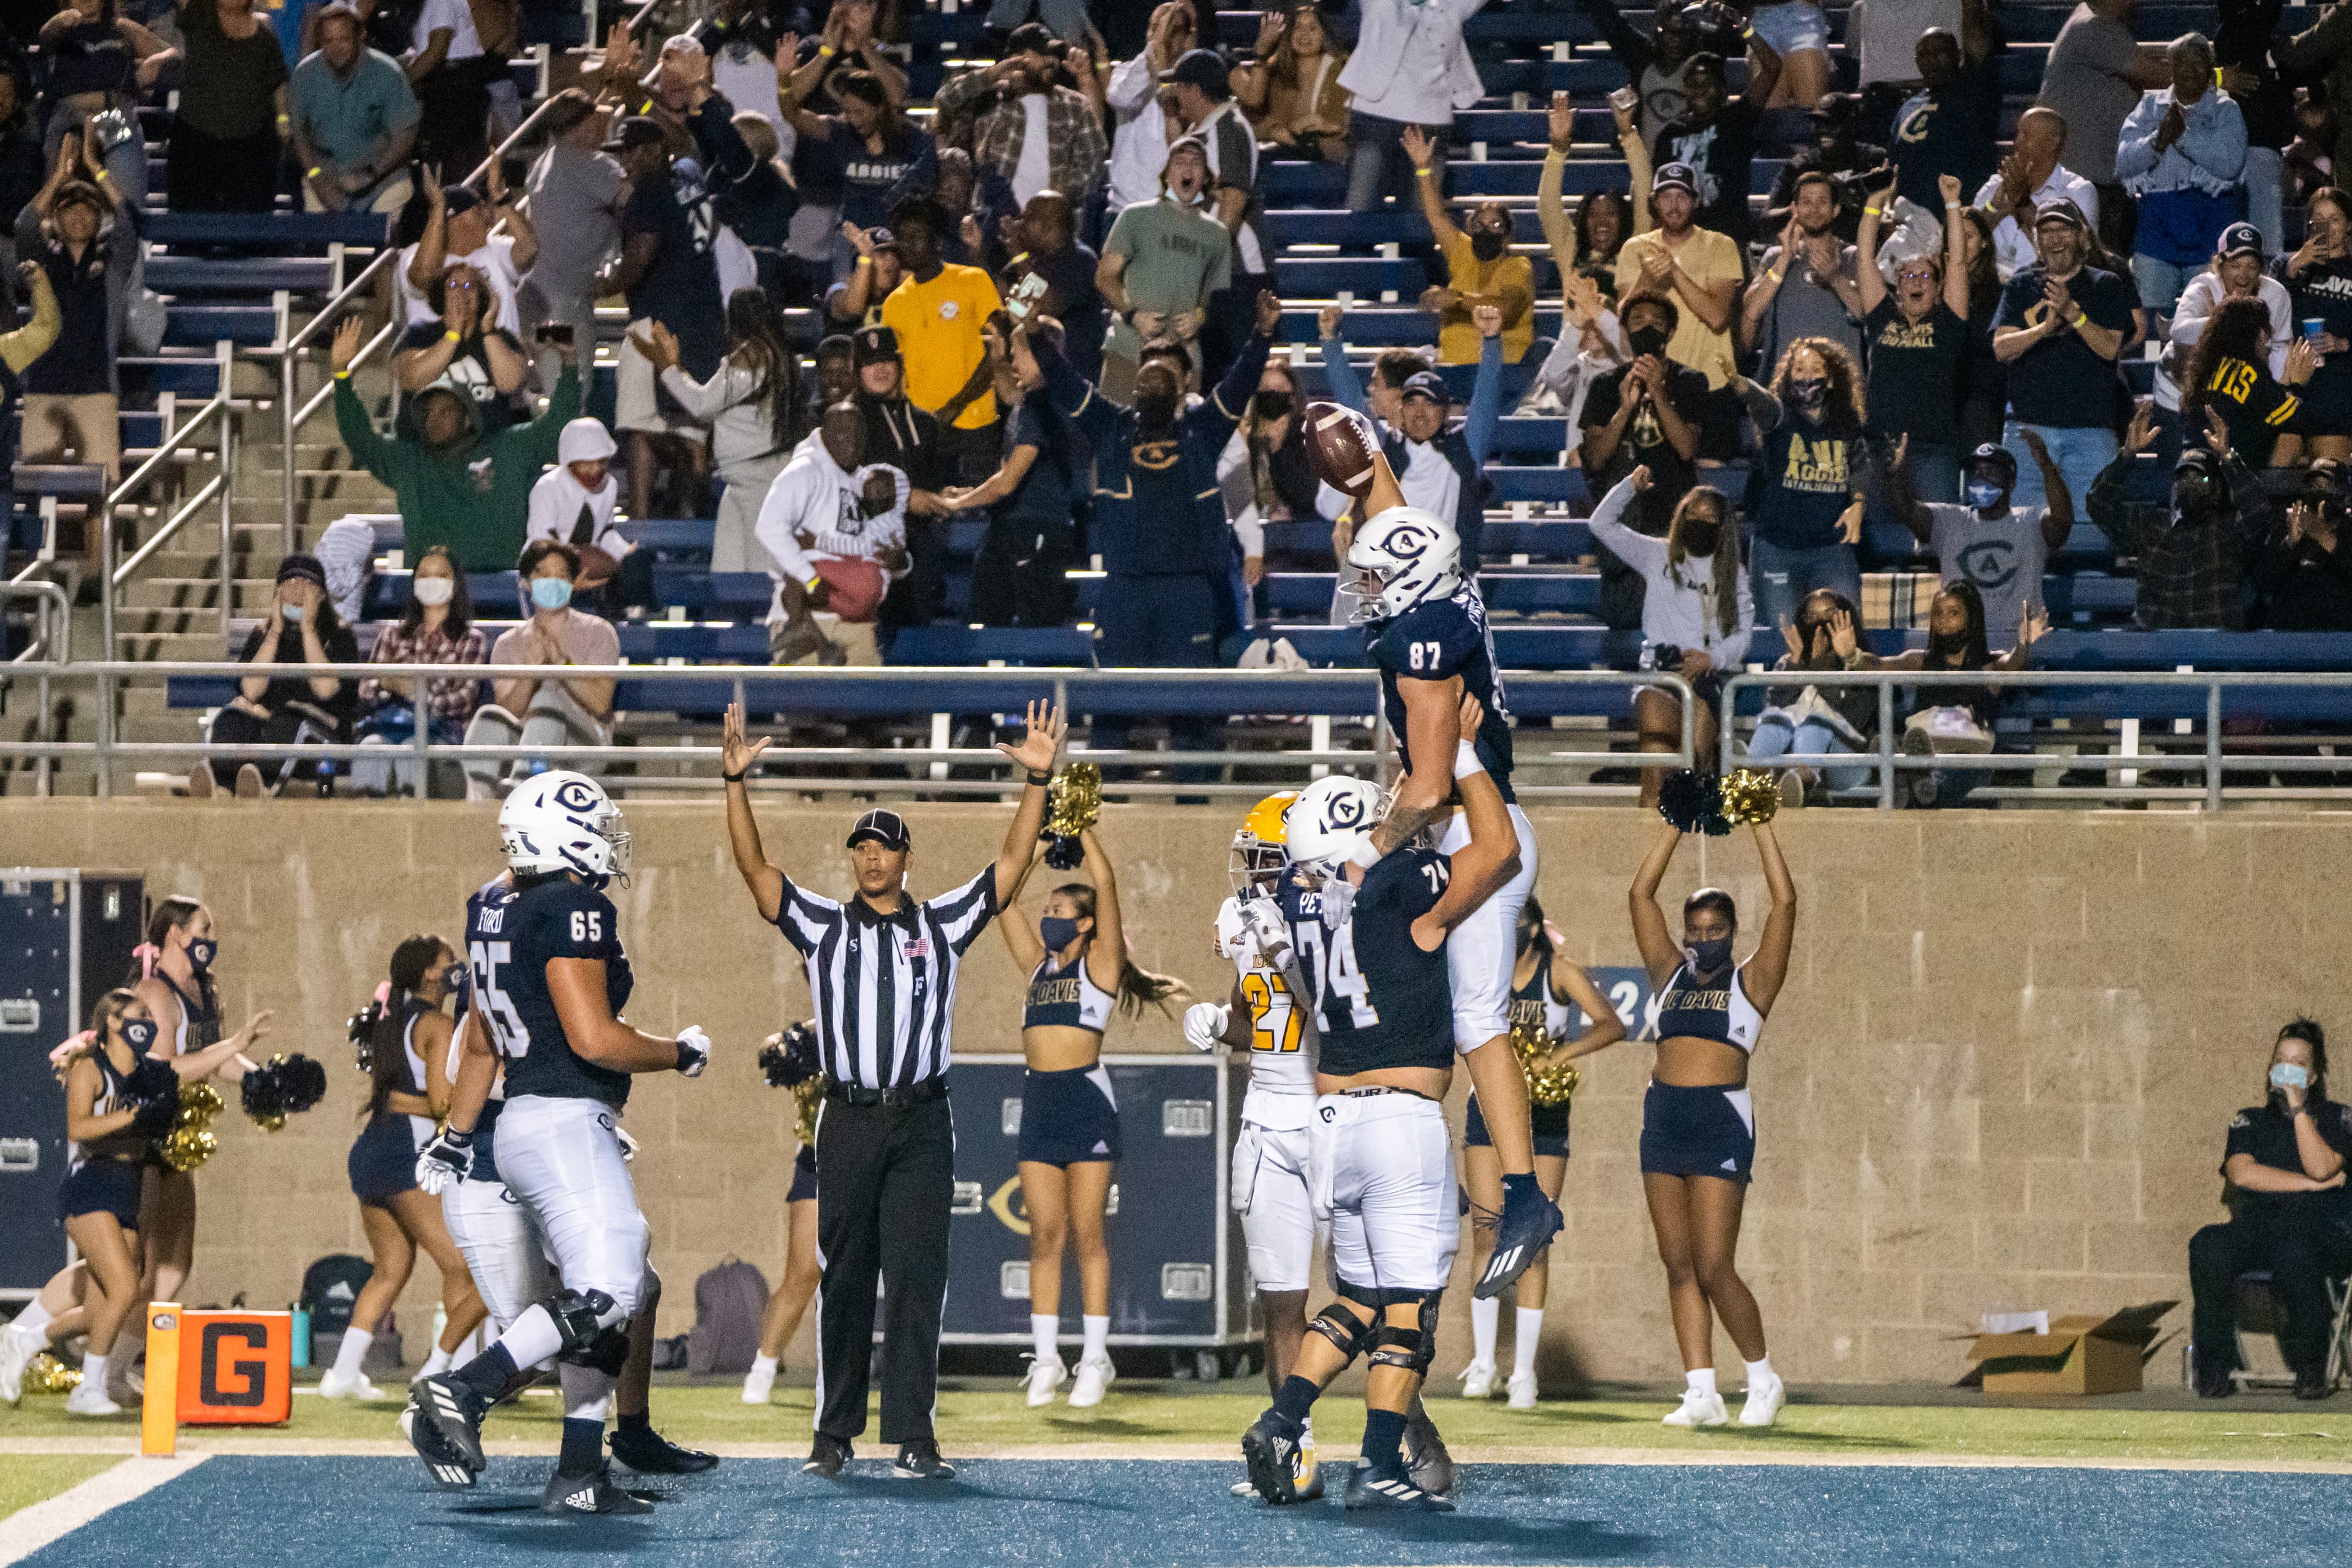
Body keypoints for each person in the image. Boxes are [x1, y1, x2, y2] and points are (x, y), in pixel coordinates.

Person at [718, 697, 1067, 1480]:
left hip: (918, 1118)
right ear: (852, 859)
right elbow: (756, 872)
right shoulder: (820, 923)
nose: (871, 859)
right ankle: (832, 1434)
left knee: (916, 1274)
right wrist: (735, 785)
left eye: (884, 848)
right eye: (861, 849)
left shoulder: (939, 923)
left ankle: (914, 1433)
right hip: (846, 1117)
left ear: (906, 857)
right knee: (844, 1276)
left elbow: (1007, 875)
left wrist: (1038, 783)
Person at [404, 774, 716, 1513]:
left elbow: (481, 1040)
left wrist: (454, 1136)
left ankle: (581, 1473)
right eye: (596, 826)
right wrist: (681, 1051)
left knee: (618, 1286)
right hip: (562, 1120)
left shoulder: (494, 905)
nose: (608, 842)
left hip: (525, 1125)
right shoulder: (571, 906)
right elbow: (594, 1038)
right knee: (611, 1290)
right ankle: (464, 1389)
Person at [1237, 723, 1517, 1513]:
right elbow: (1499, 851)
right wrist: (1455, 755)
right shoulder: (1398, 886)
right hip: (1401, 1119)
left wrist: (1394, 807)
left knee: (1356, 1299)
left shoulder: (1296, 897)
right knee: (1409, 1314)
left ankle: (1283, 1416)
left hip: (1331, 1116)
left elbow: (1363, 855)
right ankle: (1378, 1466)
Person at [1315, 437, 1559, 1298]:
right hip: (1467, 827)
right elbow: (1390, 508)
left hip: (1473, 833)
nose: (1366, 590)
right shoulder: (1443, 585)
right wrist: (1364, 451)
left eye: (1379, 582)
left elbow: (1422, 785)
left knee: (1475, 1021)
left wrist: (1365, 853)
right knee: (1422, 994)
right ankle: (1438, 1167)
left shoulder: (1422, 652)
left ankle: (1525, 1195)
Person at [1025, 292, 1275, 774]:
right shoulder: (1110, 427)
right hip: (1124, 593)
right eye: (1144, 381)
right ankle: (1099, 804)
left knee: (1192, 706)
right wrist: (1036, 337)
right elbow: (1063, 381)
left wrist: (1262, 337)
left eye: (1163, 380)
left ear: (1181, 389)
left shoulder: (1205, 431)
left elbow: (1241, 383)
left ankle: (1195, 800)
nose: (1151, 385)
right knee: (1111, 705)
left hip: (1188, 594)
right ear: (1134, 393)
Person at [1001, 826, 1182, 1410]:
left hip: (1084, 1100)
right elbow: (1002, 899)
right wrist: (1034, 845)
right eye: (1047, 909)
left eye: (1059, 910)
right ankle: (1048, 1357)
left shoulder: (1100, 966)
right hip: (1040, 1102)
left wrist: (1082, 831)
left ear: (1085, 923)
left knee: (1087, 1235)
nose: (1048, 916)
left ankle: (1097, 1357)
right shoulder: (1037, 967)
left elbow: (1105, 885)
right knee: (1044, 1236)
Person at [1627, 811, 1797, 1428]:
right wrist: (1675, 823)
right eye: (1695, 928)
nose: (1704, 938)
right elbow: (1639, 894)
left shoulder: (1753, 980)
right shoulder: (1669, 972)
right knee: (1677, 1262)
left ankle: (1763, 1376)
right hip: (1664, 1117)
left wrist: (1761, 825)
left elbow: (1785, 902)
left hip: (1720, 1117)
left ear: (1731, 930)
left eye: (1715, 928)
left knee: (1714, 1264)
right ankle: (1701, 1390)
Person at [1187, 795, 1325, 1498]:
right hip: (1268, 1114)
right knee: (1282, 1299)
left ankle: (1405, 1435)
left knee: (1378, 1295)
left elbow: (1334, 1011)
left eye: (1269, 858)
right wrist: (1219, 1019)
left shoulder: (1341, 912)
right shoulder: (1243, 918)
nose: (1256, 874)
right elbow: (1254, 1016)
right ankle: (1292, 1452)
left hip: (1337, 1115)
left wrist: (1291, 951)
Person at [1457, 899, 1624, 1409]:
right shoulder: (1480, 972)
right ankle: (1485, 1363)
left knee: (1533, 1238)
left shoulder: (1560, 972)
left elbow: (1610, 1024)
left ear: (1531, 929)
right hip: (1487, 1108)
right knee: (1486, 1229)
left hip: (1543, 1115)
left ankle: (1524, 1374)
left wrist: (1561, 1054)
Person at [322, 934, 488, 1400]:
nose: (456, 966)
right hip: (406, 1154)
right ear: (431, 974)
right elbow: (439, 1102)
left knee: (390, 1269)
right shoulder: (435, 1023)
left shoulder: (391, 1017)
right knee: (463, 1267)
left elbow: (398, 1091)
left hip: (373, 1148)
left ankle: (343, 1375)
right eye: (448, 961)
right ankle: (449, 1371)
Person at [128, 897, 273, 1365]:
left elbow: (218, 1059)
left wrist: (261, 1078)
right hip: (141, 1136)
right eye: (204, 929)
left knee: (174, 1264)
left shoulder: (207, 991)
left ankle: (123, 1369)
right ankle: (35, 1333)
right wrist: (232, 1046)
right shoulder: (153, 993)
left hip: (177, 1137)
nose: (212, 939)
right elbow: (168, 1069)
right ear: (174, 932)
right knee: (134, 1270)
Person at [331, 315, 582, 572]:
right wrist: (342, 375)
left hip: (504, 590)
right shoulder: (409, 461)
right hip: (430, 595)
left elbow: (558, 426)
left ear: (467, 419)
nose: (434, 420)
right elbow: (360, 438)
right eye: (427, 414)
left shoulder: (509, 448)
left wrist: (570, 363)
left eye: (445, 411)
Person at [2188, 1020, 2352, 1401]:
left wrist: (2298, 1108)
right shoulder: (2250, 1119)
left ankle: (2312, 1369)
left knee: (2297, 1253)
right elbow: (2243, 1173)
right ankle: (2214, 1370)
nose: (2286, 1068)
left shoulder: (2338, 1118)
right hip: (2259, 1228)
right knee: (2208, 1243)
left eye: (2298, 1063)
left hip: (2319, 1232)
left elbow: (2322, 1166)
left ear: (2312, 1075)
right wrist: (2313, 1186)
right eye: (2280, 1060)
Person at [1585, 467, 1752, 803]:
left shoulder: (1734, 573)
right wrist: (1628, 487)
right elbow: (1600, 525)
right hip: (1661, 676)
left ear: (1722, 527)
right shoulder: (1657, 554)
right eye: (1691, 513)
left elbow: (1743, 636)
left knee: (1692, 779)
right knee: (1657, 779)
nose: (1698, 522)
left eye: (1708, 518)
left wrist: (1712, 658)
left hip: (1707, 677)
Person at [52, 989, 179, 1417]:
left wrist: (234, 1047)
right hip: (92, 1182)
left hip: (130, 1182)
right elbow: (77, 1127)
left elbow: (183, 1073)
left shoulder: (148, 1072)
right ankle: (88, 1389)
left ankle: (24, 1340)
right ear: (112, 1020)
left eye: (149, 1013)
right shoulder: (89, 1067)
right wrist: (134, 1115)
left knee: (111, 1300)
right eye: (137, 1013)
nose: (147, 1019)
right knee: (125, 1287)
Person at [601, 115, 726, 523]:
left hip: (657, 327)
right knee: (693, 428)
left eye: (634, 151)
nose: (627, 162)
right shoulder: (689, 173)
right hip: (705, 322)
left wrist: (598, 285)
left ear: (655, 149)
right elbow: (686, 145)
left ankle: (641, 529)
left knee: (644, 428)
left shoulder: (649, 194)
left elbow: (638, 260)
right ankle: (690, 519)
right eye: (623, 152)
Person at [15, 139, 134, 566]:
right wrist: (60, 177)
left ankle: (98, 576)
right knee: (32, 489)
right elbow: (26, 224)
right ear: (58, 218)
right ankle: (33, 571)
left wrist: (92, 168)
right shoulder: (40, 264)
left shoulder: (112, 266)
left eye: (88, 208)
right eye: (70, 208)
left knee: (99, 492)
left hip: (96, 390)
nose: (80, 214)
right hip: (44, 388)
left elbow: (128, 222)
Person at [1321, 304, 1505, 571]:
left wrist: (1491, 341)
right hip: (1395, 586)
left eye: (1429, 404)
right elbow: (1351, 403)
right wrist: (1330, 342)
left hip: (1452, 589)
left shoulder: (1465, 451)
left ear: (1444, 412)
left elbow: (1487, 397)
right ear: (1400, 408)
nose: (1420, 413)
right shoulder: (1386, 451)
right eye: (1412, 403)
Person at [644, 290, 805, 573]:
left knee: (761, 575)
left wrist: (667, 368)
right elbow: (715, 401)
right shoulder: (781, 357)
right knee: (728, 571)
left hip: (757, 481)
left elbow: (701, 405)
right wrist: (678, 369)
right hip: (751, 478)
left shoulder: (749, 357)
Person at [1992, 200, 2135, 515]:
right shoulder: (2020, 285)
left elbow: (2111, 348)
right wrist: (2043, 329)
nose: (2056, 239)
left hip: (2092, 430)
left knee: (2093, 531)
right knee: (2029, 535)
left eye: (2064, 230)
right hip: (2028, 429)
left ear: (2082, 235)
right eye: (2047, 231)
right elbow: (2001, 347)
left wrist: (2074, 314)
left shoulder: (2105, 284)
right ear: (2037, 239)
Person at [944, 314, 1082, 628]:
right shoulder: (1033, 400)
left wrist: (956, 504)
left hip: (1035, 533)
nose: (1013, 361)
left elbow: (1007, 483)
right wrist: (995, 357)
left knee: (1031, 633)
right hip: (1017, 529)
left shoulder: (1043, 406)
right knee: (987, 621)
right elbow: (1009, 394)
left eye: (1018, 353)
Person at [754, 402, 910, 667]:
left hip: (859, 624)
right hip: (808, 617)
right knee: (805, 707)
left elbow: (880, 540)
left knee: (863, 707)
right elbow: (768, 527)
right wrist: (811, 580)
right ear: (824, 434)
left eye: (858, 434)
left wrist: (901, 563)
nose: (852, 440)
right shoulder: (804, 470)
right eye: (842, 431)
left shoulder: (867, 482)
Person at [461, 541, 621, 799]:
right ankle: (478, 798)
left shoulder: (599, 633)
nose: (552, 581)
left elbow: (601, 704)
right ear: (526, 581)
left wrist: (560, 664)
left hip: (584, 744)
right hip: (526, 739)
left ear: (574, 583)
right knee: (488, 715)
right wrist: (530, 673)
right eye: (543, 574)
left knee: (548, 699)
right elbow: (508, 710)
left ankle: (523, 791)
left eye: (561, 576)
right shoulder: (508, 643)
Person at [1733, 338, 1871, 632]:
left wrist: (1858, 503)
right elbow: (1762, 404)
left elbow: (1859, 466)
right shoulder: (1779, 417)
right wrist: (1740, 384)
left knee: (1848, 630)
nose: (1807, 377)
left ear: (1831, 380)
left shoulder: (1846, 423)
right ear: (1788, 377)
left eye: (1816, 368)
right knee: (1782, 637)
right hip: (1777, 548)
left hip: (1831, 548)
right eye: (1799, 369)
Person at [2090, 402, 2267, 630]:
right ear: (2173, 486)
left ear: (2217, 488)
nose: (2190, 484)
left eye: (2201, 479)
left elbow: (2260, 513)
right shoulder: (2152, 525)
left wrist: (2229, 458)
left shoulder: (2230, 530)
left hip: (2216, 655)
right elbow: (2098, 505)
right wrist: (2127, 456)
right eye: (2183, 478)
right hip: (2158, 652)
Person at [201, 554, 363, 797]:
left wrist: (308, 629)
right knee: (229, 720)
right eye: (290, 582)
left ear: (321, 595)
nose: (297, 590)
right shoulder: (263, 635)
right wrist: (275, 631)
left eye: (307, 583)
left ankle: (261, 787)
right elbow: (252, 691)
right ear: (277, 593)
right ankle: (221, 787)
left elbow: (325, 691)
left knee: (286, 727)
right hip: (266, 727)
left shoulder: (339, 636)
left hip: (320, 738)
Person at [1858, 175, 1975, 505]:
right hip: (1880, 446)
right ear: (1897, 285)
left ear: (1938, 290)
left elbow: (1958, 261)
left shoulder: (1948, 323)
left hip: (1934, 449)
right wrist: (1874, 202)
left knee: (1935, 540)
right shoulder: (1882, 317)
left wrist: (1952, 202)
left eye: (1925, 275)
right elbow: (1865, 258)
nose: (1916, 280)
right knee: (1878, 540)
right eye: (1908, 275)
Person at [1889, 435, 2071, 646]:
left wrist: (2046, 466)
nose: (1982, 480)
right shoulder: (1950, 519)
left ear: (2011, 483)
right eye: (1977, 474)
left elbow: (2062, 521)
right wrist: (1895, 473)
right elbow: (1907, 509)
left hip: (2021, 643)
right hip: (1962, 646)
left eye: (1991, 473)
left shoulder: (2031, 521)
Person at [2116, 34, 2249, 315]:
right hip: (2156, 231)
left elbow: (2230, 164)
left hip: (2210, 230)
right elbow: (2124, 162)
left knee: (2208, 322)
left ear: (2210, 67)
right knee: (2150, 320)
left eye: (2197, 63)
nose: (2189, 70)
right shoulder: (2149, 107)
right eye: (2181, 63)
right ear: (2171, 67)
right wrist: (2157, 140)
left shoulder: (2226, 110)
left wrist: (2183, 139)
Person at [879, 197, 1003, 480]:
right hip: (922, 432)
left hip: (976, 426)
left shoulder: (973, 280)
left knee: (974, 518)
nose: (907, 244)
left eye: (916, 237)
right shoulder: (894, 303)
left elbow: (999, 347)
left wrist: (956, 406)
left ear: (936, 241)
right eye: (902, 237)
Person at [1096, 137, 1229, 401]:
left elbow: (1217, 299)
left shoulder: (1218, 234)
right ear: (1167, 173)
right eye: (1180, 162)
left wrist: (1199, 317)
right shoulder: (1135, 217)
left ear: (1205, 177)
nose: (1188, 170)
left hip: (1184, 364)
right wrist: (1133, 316)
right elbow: (1104, 277)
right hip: (1129, 353)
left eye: (1196, 163)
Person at [2037, 0, 2172, 255]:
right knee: (2095, 264)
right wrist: (2219, 77)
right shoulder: (2094, 25)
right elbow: (2154, 73)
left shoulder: (2095, 21)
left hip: (2099, 179)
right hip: (2087, 182)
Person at [352, 546, 487, 800]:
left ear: (455, 584)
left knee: (409, 751)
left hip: (441, 732)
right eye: (424, 575)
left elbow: (463, 701)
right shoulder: (392, 635)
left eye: (441, 575)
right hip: (389, 724)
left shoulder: (471, 640)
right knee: (371, 748)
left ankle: (410, 832)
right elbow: (366, 690)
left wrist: (414, 691)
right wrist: (386, 685)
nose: (431, 581)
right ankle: (365, 830)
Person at [741, 1022, 824, 1408]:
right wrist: (780, 1042)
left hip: (877, 1152)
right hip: (819, 1157)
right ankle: (764, 1367)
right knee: (803, 1272)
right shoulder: (816, 1028)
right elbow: (773, 1046)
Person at [1401, 126, 1534, 369]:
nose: (1487, 231)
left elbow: (1506, 310)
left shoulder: (1518, 266)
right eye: (1480, 225)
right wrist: (1422, 168)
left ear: (1506, 235)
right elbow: (1437, 217)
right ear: (1470, 229)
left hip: (1501, 371)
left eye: (1495, 225)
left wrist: (1456, 299)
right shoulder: (1462, 251)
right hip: (1453, 368)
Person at [1615, 162, 1744, 409]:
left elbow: (1717, 318)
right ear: (1654, 202)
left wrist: (1673, 271)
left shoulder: (1721, 245)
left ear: (1696, 201)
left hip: (1712, 383)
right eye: (1666, 197)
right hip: (1656, 381)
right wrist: (1646, 278)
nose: (1674, 207)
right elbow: (1623, 321)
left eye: (1682, 197)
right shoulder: (1635, 248)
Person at [1339, 0, 1482, 216]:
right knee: (1360, 209)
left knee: (1424, 216)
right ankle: (1354, 251)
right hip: (1376, 112)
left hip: (1432, 115)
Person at [518, 88, 626, 366]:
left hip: (534, 294)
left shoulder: (543, 162)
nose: (601, 125)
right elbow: (635, 201)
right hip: (564, 303)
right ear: (582, 124)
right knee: (573, 390)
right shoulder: (595, 167)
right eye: (594, 119)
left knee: (553, 387)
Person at [1746, 588, 1879, 801]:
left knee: (1816, 723)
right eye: (1812, 617)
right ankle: (1749, 779)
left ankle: (1803, 781)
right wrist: (1796, 666)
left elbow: (1856, 719)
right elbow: (1779, 705)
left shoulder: (1862, 663)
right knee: (1774, 720)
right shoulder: (1789, 661)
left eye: (1829, 615)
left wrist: (1821, 667)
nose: (1820, 624)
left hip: (1848, 763)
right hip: (1790, 760)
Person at [288, 3, 417, 215]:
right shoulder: (305, 75)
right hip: (325, 178)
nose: (336, 47)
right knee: (318, 237)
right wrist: (319, 182)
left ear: (360, 37)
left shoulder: (388, 73)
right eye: (329, 41)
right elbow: (300, 137)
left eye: (344, 40)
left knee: (396, 202)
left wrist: (371, 175)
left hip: (383, 181)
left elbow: (405, 133)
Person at [1652, 45, 1781, 249]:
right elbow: (1658, 196)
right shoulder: (1670, 134)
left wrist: (1746, 31)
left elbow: (1772, 67)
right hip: (1681, 242)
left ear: (1722, 88)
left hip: (1729, 241)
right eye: (1693, 84)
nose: (1700, 90)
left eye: (1708, 84)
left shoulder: (1737, 119)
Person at [166, 0, 288, 214]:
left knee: (250, 226)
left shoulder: (265, 27)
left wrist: (283, 119)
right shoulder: (198, 13)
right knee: (191, 225)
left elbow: (277, 81)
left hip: (250, 147)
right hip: (196, 143)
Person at [1744, 173, 1867, 375]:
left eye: (1822, 202)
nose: (1814, 210)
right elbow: (1751, 315)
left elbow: (1873, 318)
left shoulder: (1853, 258)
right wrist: (1785, 259)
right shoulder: (1775, 258)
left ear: (1836, 210)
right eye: (1807, 202)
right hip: (1784, 388)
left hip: (1841, 391)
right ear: (1795, 209)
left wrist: (1836, 279)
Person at [393, 262, 527, 438]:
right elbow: (412, 380)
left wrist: (488, 330)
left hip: (487, 448)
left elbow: (510, 384)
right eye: (453, 286)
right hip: (426, 451)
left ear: (481, 297)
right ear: (441, 295)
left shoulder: (501, 338)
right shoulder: (419, 333)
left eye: (469, 286)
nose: (461, 292)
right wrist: (453, 333)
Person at [2182, 295, 2318, 468]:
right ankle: (2269, 494)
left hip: (2196, 463)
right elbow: (2291, 418)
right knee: (2291, 435)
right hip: (2238, 466)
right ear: (2260, 333)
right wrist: (2298, 385)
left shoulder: (2206, 366)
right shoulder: (2249, 370)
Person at [1887, 27, 2000, 227]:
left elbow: (1979, 49)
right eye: (1925, 54)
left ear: (1957, 55)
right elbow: (1894, 164)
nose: (1932, 60)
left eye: (1940, 53)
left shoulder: (1977, 96)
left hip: (1959, 217)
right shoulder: (1907, 107)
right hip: (1911, 222)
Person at [1973, 108, 2101, 285]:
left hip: (2047, 289)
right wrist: (1993, 209)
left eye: (2027, 136)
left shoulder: (2079, 192)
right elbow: (1967, 241)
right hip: (1993, 290)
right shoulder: (1996, 184)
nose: (2017, 142)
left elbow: (2070, 255)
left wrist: (2022, 201)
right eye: (2018, 134)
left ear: (2053, 143)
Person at [2272, 187, 2352, 463]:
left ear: (2349, 225)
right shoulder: (2285, 264)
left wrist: (2343, 343)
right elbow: (2266, 315)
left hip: (2336, 389)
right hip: (2290, 385)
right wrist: (2294, 268)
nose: (2327, 228)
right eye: (2319, 221)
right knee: (2276, 480)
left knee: (2326, 484)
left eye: (2335, 220)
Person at [1000, 190, 1104, 381]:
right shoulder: (1032, 257)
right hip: (1036, 374)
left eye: (1028, 218)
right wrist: (977, 253)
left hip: (1073, 374)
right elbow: (1006, 301)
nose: (1020, 224)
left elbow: (1049, 305)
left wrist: (1019, 256)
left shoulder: (1081, 259)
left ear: (1049, 226)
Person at [1103, 2, 1194, 220]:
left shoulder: (1196, 86)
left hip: (1174, 210)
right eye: (1159, 29)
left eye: (1176, 31)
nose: (1166, 38)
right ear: (1148, 34)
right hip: (1125, 209)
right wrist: (1156, 55)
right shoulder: (1125, 72)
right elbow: (1122, 98)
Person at [1760, 93, 1884, 244]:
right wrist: (1798, 210)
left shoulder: (1874, 160)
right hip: (1809, 248)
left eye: (1833, 124)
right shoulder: (1799, 166)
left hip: (1862, 245)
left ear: (1853, 126)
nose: (1824, 130)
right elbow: (1768, 218)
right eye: (1820, 124)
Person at [1234, 4, 1348, 162]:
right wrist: (1274, 130)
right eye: (1298, 28)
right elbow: (1249, 117)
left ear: (1324, 35)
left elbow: (1358, 126)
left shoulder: (1343, 70)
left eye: (1312, 28)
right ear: (1289, 34)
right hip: (1280, 154)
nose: (1304, 35)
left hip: (1329, 158)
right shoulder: (1274, 70)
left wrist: (1327, 126)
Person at [404, 0, 492, 181]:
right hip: (442, 87)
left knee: (457, 161)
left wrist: (399, 83)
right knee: (440, 159)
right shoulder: (422, 6)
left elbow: (437, 51)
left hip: (458, 89)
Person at [2255, 470, 2352, 630]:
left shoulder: (2348, 529)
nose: (2317, 494)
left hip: (2340, 636)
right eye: (2312, 487)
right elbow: (2266, 583)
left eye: (2326, 486)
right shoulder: (2288, 526)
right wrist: (2290, 542)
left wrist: (2322, 535)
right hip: (2291, 635)